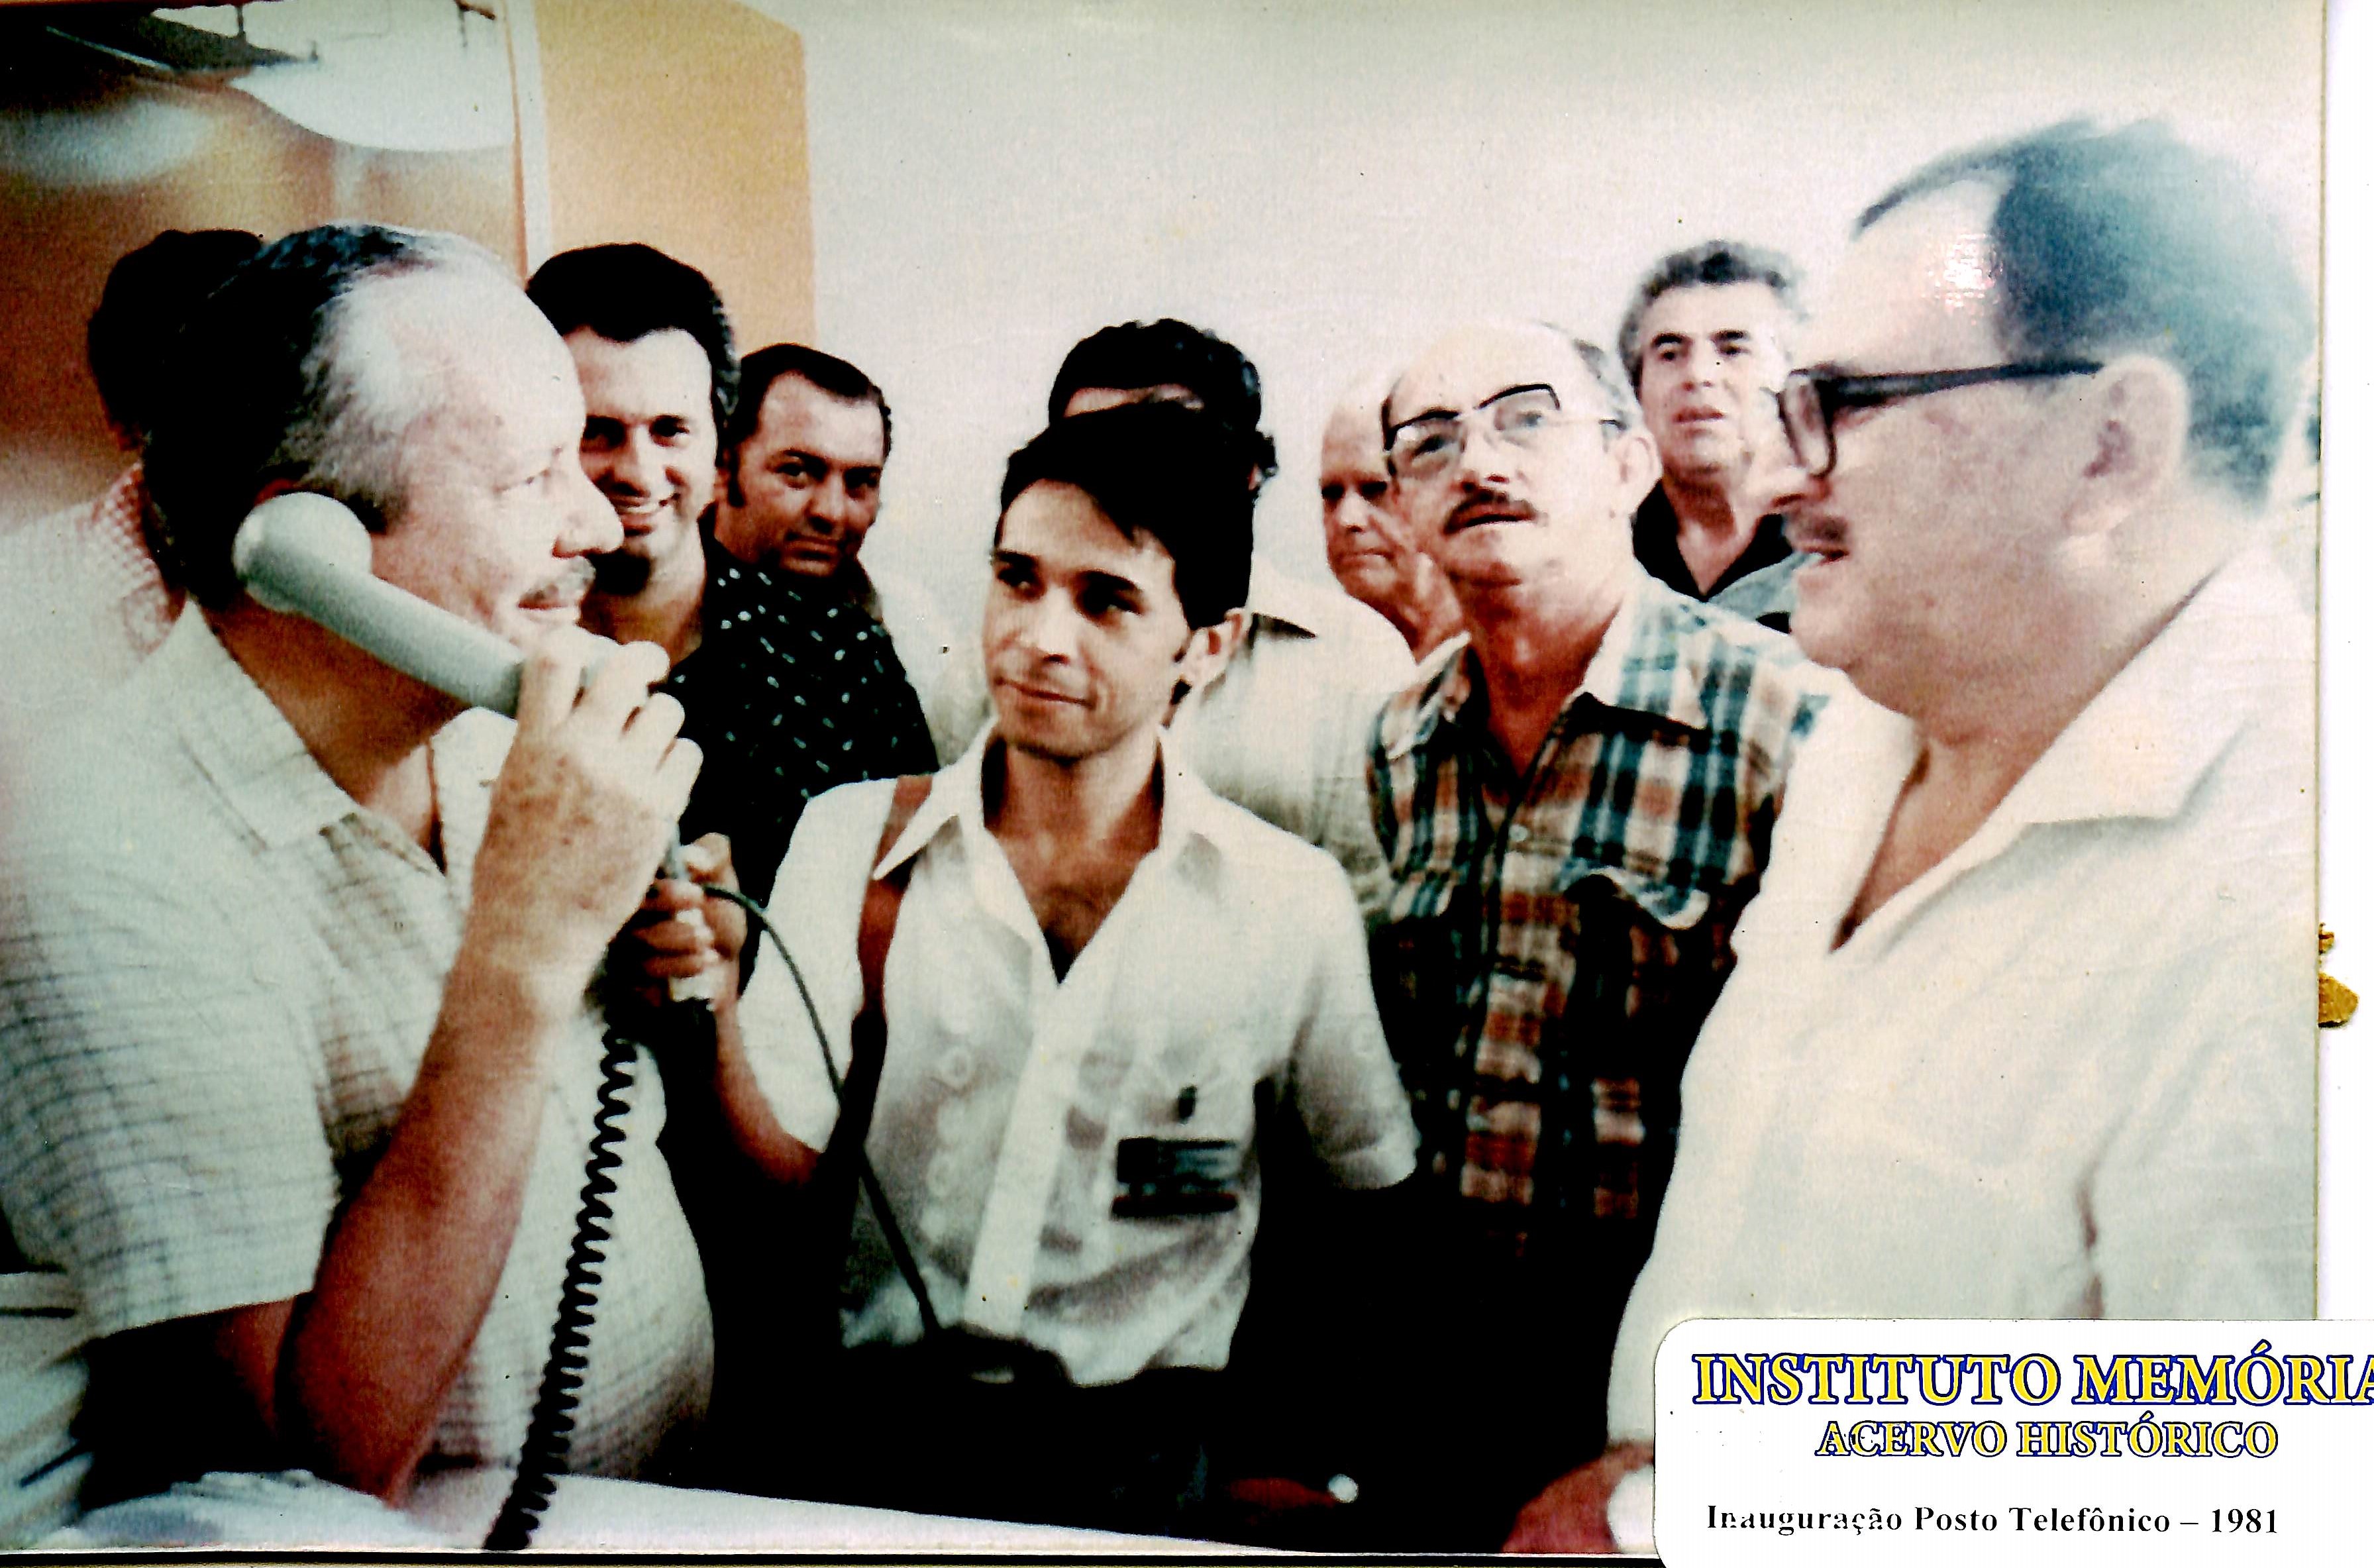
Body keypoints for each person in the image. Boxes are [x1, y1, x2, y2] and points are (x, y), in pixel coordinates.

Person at [1520, 121, 2319, 1555]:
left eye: (1842, 402)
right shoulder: (1867, 728)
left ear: (2110, 447)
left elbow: (2275, 1466)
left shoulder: (2302, 895)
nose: (1779, 476)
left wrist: (1712, 1489)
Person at [0, 224, 815, 1520]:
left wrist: (676, 968)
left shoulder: (492, 730)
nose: (595, 519)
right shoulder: (97, 868)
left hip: (673, 1503)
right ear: (302, 544)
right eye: (533, 476)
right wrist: (525, 946)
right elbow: (306, 1466)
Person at [723, 400, 1418, 1537]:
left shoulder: (1288, 900)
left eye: (1106, 600)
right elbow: (774, 1179)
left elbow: (1366, 1201)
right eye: (1017, 578)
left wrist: (1304, 1455)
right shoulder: (850, 839)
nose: (1042, 636)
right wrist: (703, 1003)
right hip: (878, 1447)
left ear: (1205, 644)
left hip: (1157, 1470)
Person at [1363, 319, 1828, 1547]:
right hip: (1434, 1374)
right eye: (1430, 442)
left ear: (1628, 464)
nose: (1478, 462)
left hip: (1660, 1376)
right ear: (1402, 504)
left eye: (1525, 418)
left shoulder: (1783, 719)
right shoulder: (1399, 737)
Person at [527, 248, 937, 906]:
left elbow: (920, 908)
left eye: (670, 431)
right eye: (597, 432)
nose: (637, 472)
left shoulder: (842, 659)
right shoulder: (487, 642)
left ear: (719, 449)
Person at [1050, 319, 1414, 914]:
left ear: (1246, 473)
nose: (1117, 485)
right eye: (1084, 455)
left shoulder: (1358, 659)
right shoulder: (993, 666)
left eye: (1164, 452)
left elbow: (1371, 917)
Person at [0, 229, 262, 775]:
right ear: (119, 420)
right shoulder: (21, 594)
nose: (246, 446)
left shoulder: (385, 560)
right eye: (196, 414)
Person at [711, 344, 985, 764]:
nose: (832, 512)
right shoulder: (654, 610)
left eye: (860, 482)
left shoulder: (911, 629)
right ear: (723, 467)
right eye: (797, 472)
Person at [1616, 240, 1807, 631]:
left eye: (1733, 350)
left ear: (1795, 380)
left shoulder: (1835, 546)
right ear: (1636, 390)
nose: (1699, 375)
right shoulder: (1603, 552)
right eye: (1670, 354)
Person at [1317, 372, 1462, 660]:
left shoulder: (1498, 648)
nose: (1347, 519)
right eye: (1331, 494)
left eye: (1375, 490)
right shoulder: (1322, 661)